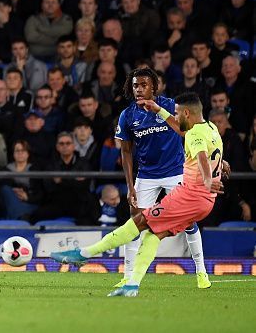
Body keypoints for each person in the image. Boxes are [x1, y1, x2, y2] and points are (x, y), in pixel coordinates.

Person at [52, 92, 225, 298]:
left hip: (190, 196)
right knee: (153, 234)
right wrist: (222, 165)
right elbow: (209, 152)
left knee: (139, 222)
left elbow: (202, 157)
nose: (175, 117)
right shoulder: (211, 128)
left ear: (187, 113)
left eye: (177, 113)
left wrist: (206, 179)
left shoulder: (194, 134)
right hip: (204, 201)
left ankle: (83, 254)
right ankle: (132, 285)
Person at [113, 67, 210, 289]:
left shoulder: (169, 106)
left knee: (189, 222)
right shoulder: (127, 115)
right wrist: (130, 186)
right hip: (146, 176)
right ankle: (128, 276)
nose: (139, 89)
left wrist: (217, 160)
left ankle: (201, 273)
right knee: (135, 223)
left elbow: (192, 134)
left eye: (144, 85)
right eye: (136, 85)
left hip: (176, 171)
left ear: (154, 87)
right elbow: (126, 152)